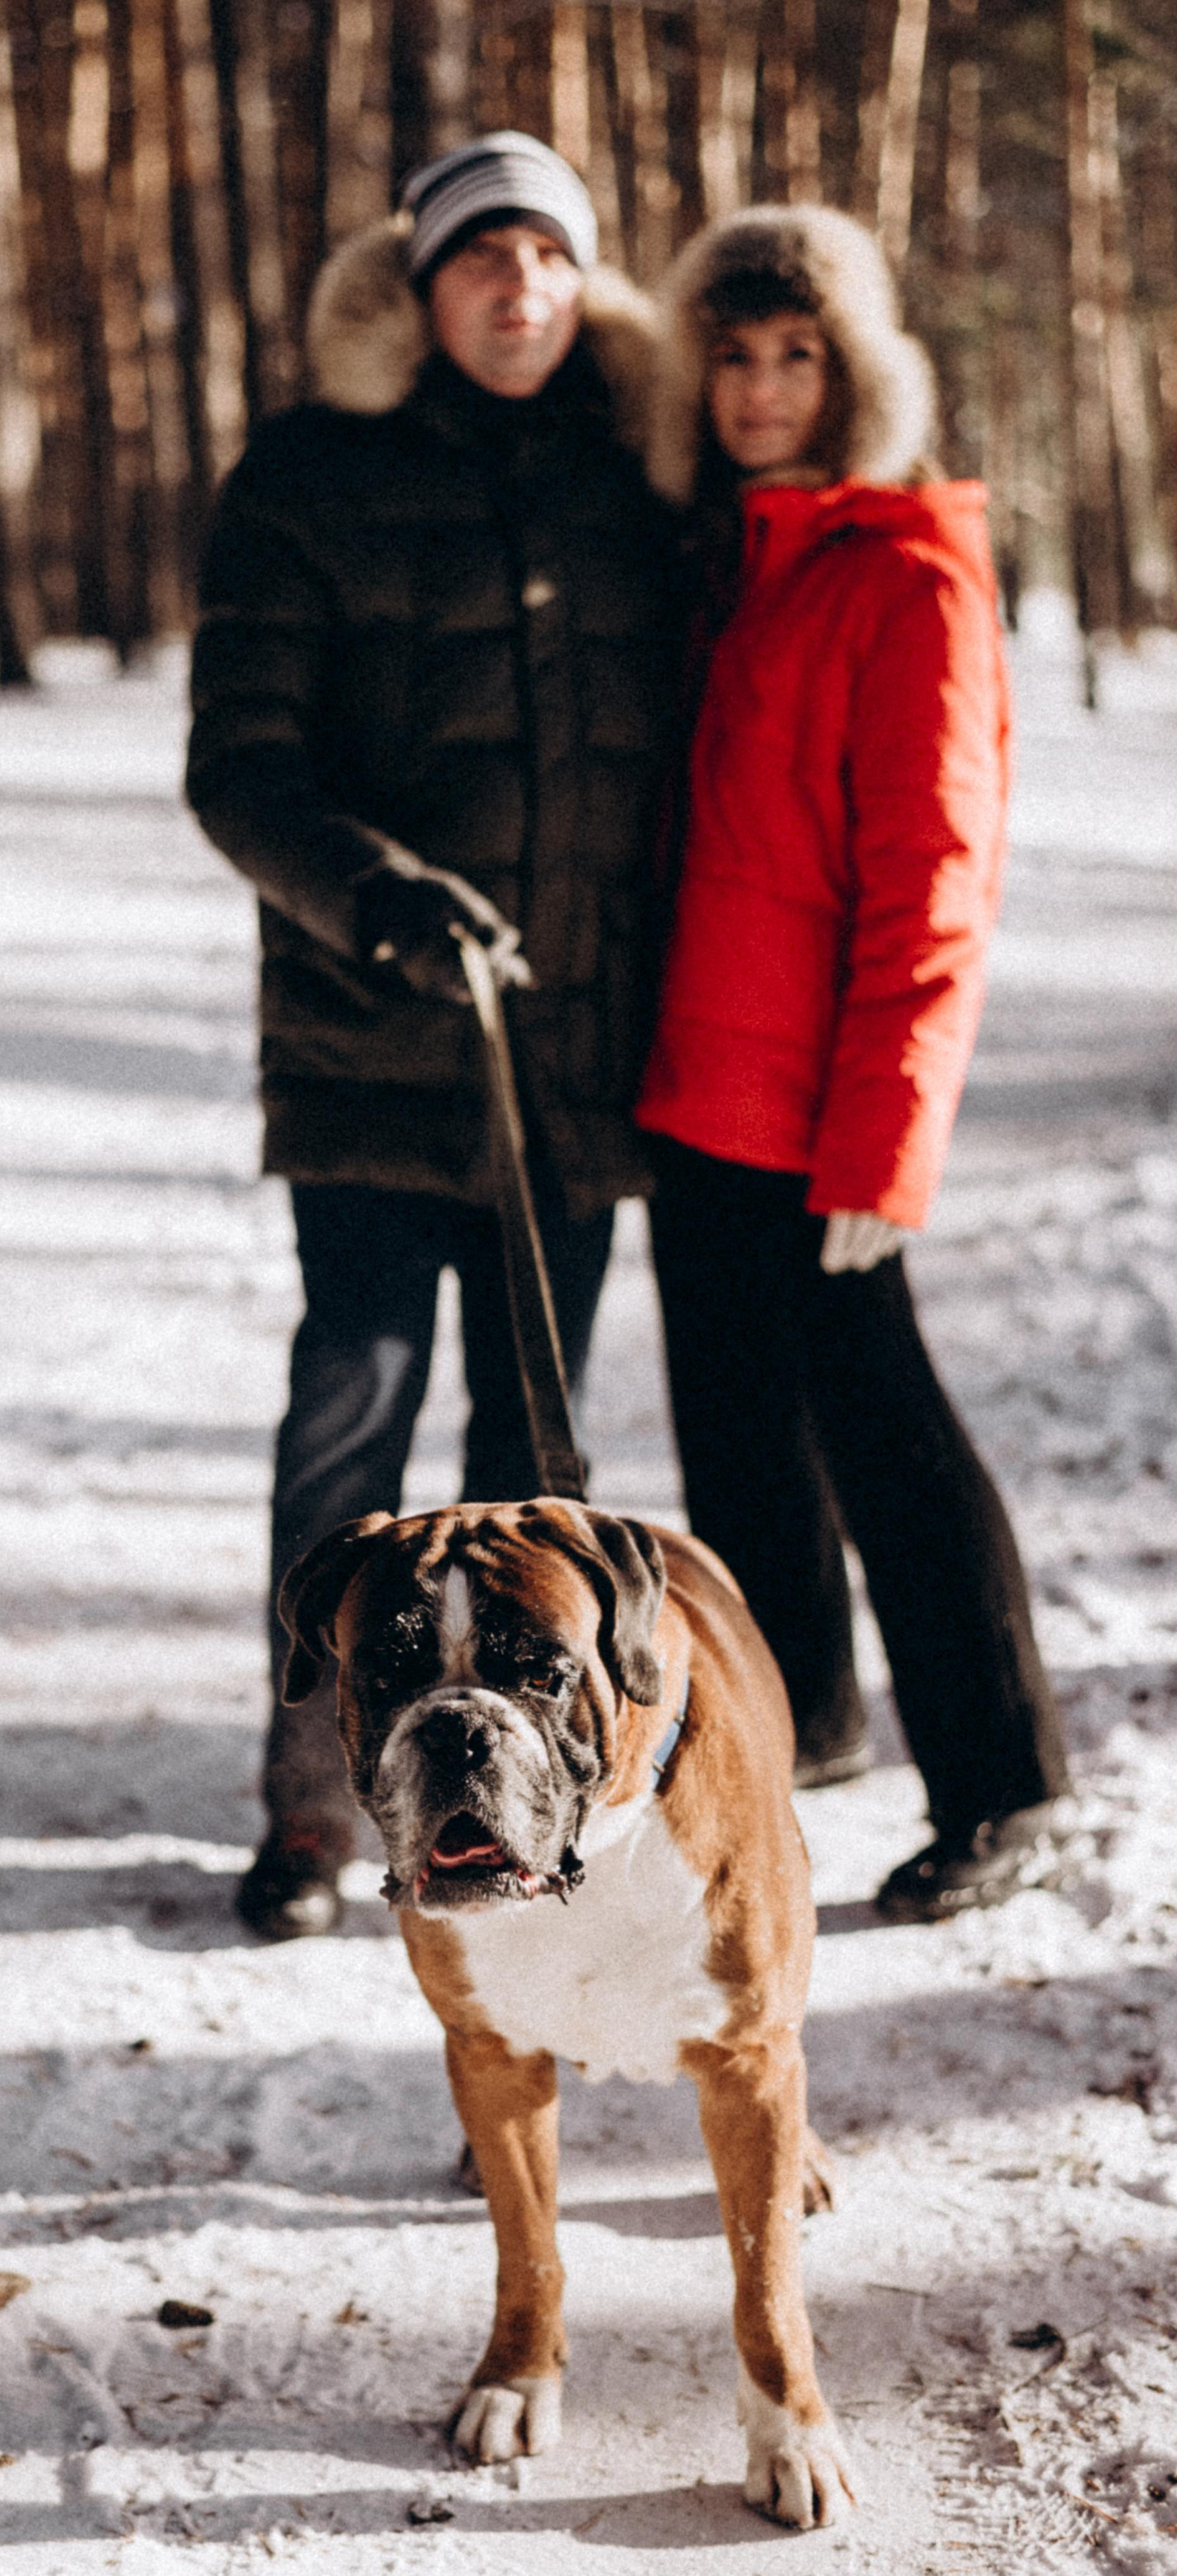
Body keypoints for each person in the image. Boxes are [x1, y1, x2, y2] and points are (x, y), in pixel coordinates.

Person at [187, 135, 680, 1939]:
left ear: (587, 282)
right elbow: (237, 767)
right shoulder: (311, 478)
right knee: (357, 1412)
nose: (518, 291)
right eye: (484, 259)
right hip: (372, 1044)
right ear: (424, 285)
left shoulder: (640, 474)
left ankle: (537, 1795)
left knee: (535, 1444)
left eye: (551, 258)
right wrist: (378, 896)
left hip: (575, 1052)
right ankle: (315, 1799)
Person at [634, 204, 1073, 1920]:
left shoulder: (902, 577)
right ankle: (796, 1727)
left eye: (793, 356)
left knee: (883, 1430)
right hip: (694, 1090)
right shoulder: (727, 563)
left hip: (822, 1104)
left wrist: (886, 1143)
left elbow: (932, 883)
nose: (758, 390)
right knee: (734, 1439)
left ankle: (1004, 1774)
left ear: (854, 371)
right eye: (731, 358)